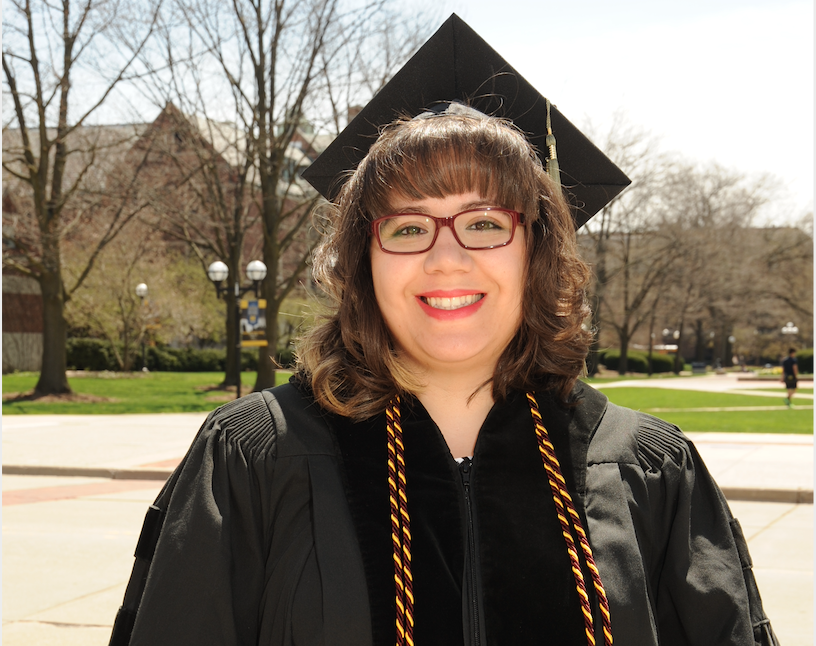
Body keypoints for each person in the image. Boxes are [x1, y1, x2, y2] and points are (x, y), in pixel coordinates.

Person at [109, 15, 778, 646]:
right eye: (407, 227)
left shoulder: (650, 470)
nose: (447, 258)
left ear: (535, 250)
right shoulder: (254, 458)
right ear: (363, 263)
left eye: (486, 222)